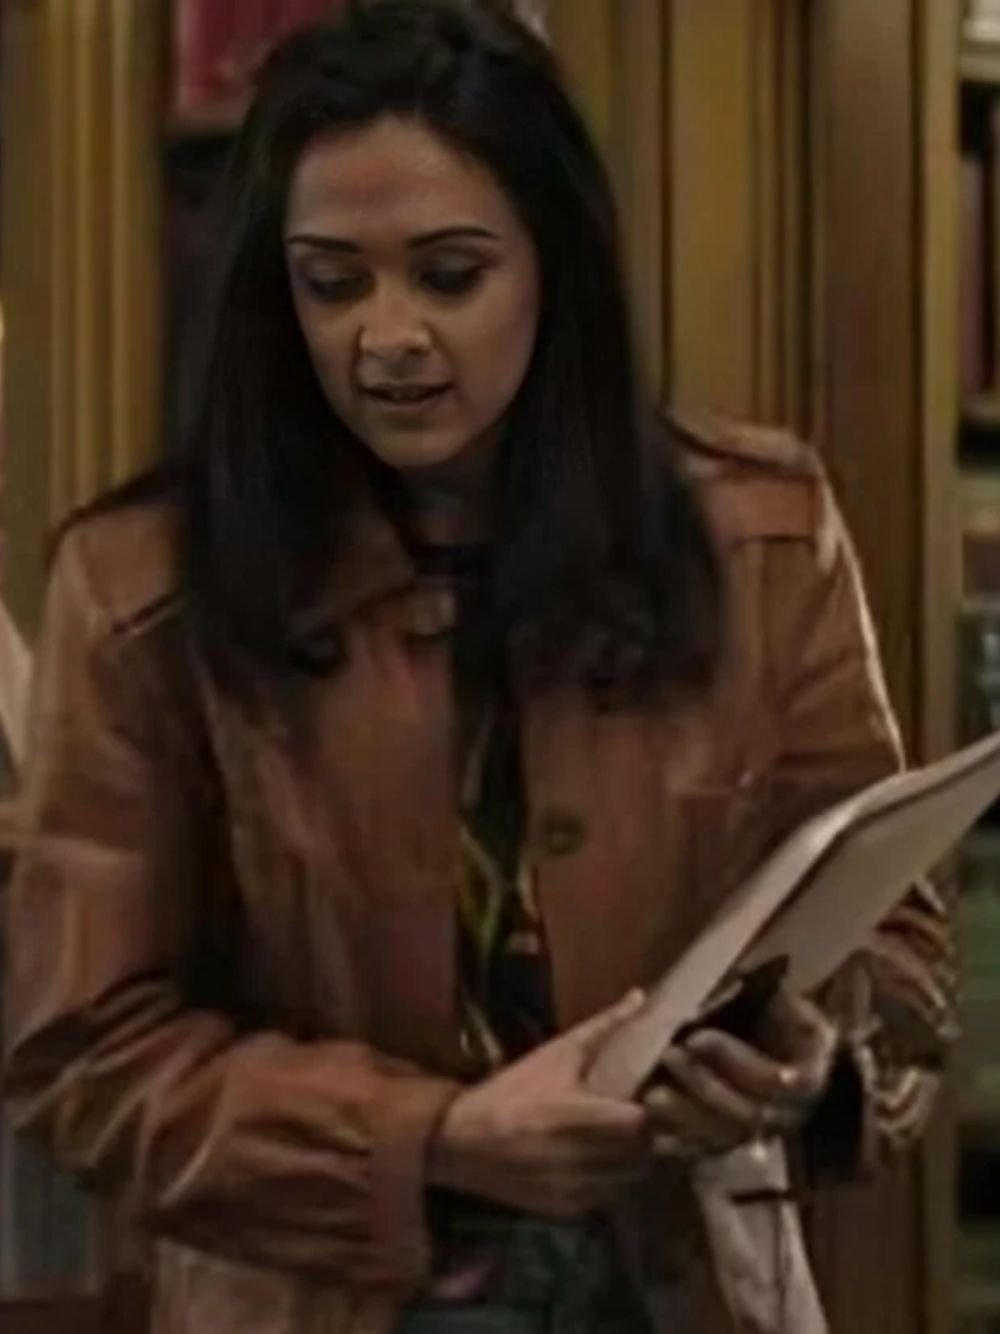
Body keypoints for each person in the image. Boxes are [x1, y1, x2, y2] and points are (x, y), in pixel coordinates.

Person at [3, 3, 955, 1332]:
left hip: (676, 1285)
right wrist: (432, 1142)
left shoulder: (761, 534)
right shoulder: (144, 586)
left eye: (449, 276)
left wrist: (814, 1058)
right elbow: (82, 1052)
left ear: (555, 269)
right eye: (333, 284)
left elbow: (895, 945)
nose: (387, 337)